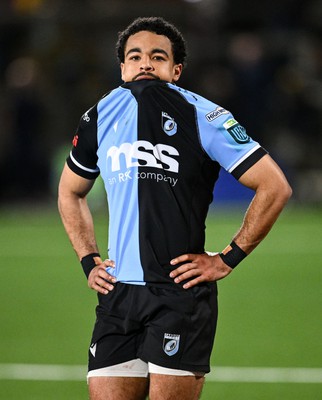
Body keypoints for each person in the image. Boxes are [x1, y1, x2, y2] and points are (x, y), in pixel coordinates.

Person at [58, 16, 292, 400]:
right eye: (134, 56)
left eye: (157, 56)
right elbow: (70, 191)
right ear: (122, 69)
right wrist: (88, 259)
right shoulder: (99, 116)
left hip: (179, 296)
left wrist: (227, 259)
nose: (145, 63)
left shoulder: (205, 115)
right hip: (118, 297)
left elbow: (274, 186)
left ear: (176, 69)